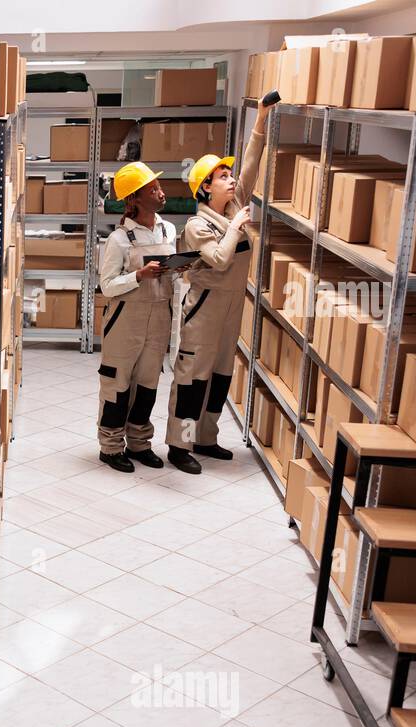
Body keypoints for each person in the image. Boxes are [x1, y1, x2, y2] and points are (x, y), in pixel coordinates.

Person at [164, 97, 275, 474]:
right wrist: (236, 226)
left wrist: (260, 120)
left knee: (220, 374)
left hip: (232, 306)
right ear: (205, 188)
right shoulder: (199, 226)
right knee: (193, 377)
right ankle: (180, 444)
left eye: (229, 175)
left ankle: (206, 438)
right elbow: (219, 259)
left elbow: (251, 164)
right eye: (223, 177)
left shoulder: (234, 205)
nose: (231, 179)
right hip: (204, 307)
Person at [94, 161, 176, 472]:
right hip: (124, 321)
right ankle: (111, 446)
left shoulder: (169, 230)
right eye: (153, 189)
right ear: (135, 199)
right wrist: (138, 276)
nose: (161, 193)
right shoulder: (119, 240)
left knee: (147, 384)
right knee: (118, 385)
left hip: (158, 318)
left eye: (159, 187)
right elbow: (107, 285)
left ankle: (140, 443)